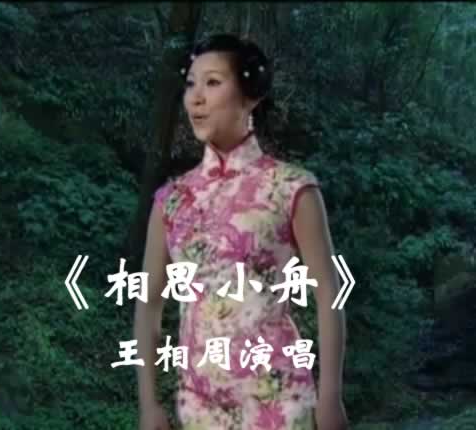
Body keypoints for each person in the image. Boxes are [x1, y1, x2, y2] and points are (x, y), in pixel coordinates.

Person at [134, 33, 348, 430]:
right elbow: (148, 305)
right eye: (191, 84)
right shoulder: (172, 200)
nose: (196, 98)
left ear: (250, 97)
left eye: (213, 82)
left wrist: (331, 396)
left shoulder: (291, 188)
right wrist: (148, 404)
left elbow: (329, 295)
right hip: (199, 409)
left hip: (280, 404)